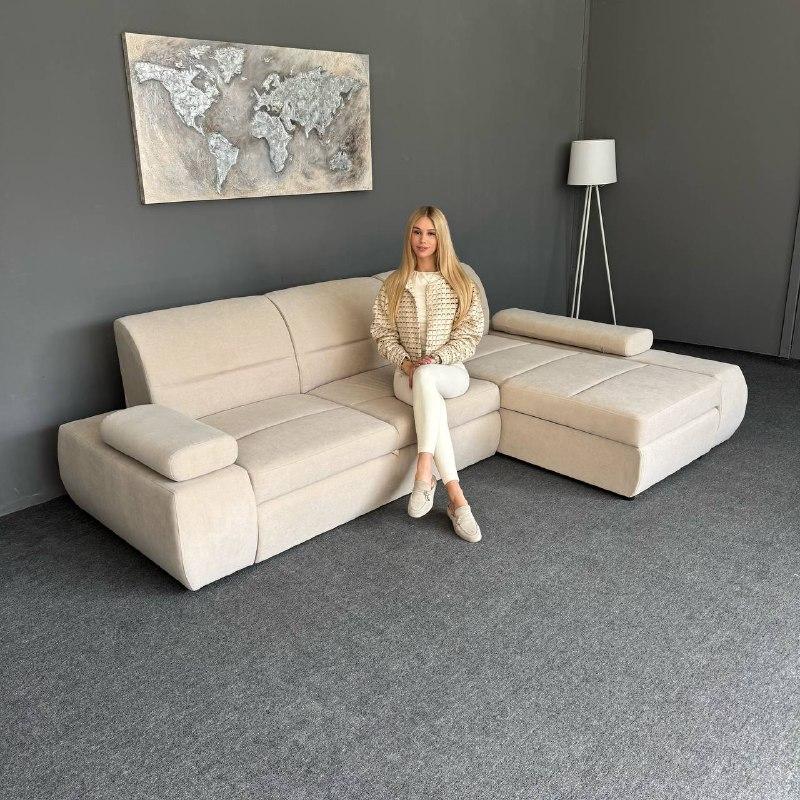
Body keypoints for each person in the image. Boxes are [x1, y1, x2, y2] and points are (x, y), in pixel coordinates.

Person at [369, 205, 485, 542]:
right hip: (406, 376)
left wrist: (436, 358)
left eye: (431, 233)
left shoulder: (460, 282)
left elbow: (469, 336)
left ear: (441, 237)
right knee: (425, 385)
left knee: (427, 376)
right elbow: (382, 333)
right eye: (417, 232)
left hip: (450, 371)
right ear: (409, 236)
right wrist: (406, 363)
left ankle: (424, 471)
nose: (423, 240)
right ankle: (457, 498)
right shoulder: (393, 284)